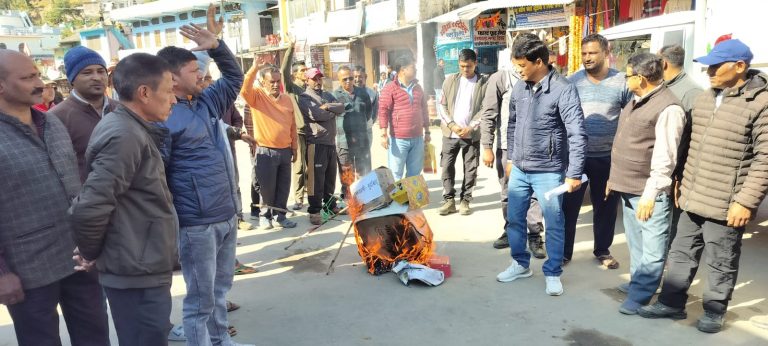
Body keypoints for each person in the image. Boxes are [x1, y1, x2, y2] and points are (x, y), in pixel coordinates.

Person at [639, 39, 768, 334]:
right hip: (692, 194)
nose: (708, 71)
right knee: (681, 252)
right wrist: (677, 179)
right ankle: (671, 303)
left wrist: (746, 201)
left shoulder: (760, 103)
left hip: (726, 201)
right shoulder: (705, 98)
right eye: (707, 65)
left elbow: (765, 159)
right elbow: (688, 145)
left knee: (721, 258)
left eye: (715, 65)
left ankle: (714, 310)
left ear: (739, 66)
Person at [0, 49, 109, 346]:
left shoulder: (53, 123)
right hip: (28, 270)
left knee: (95, 335)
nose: (39, 82)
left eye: (37, 74)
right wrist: (2, 273)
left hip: (79, 258)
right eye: (27, 77)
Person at [68, 52, 176, 346]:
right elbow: (90, 206)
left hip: (141, 261)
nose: (174, 99)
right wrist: (91, 252)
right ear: (144, 93)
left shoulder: (131, 127)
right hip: (135, 268)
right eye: (169, 92)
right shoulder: (124, 134)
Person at [155, 21, 251, 346]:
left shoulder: (207, 102)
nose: (201, 75)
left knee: (221, 289)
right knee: (199, 300)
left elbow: (235, 78)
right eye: (194, 70)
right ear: (172, 78)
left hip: (225, 212)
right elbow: (159, 176)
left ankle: (221, 340)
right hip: (196, 222)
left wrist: (217, 46)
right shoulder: (165, 117)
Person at [496, 33, 586, 296]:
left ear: (538, 62)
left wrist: (574, 173)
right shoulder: (519, 87)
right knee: (514, 219)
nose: (518, 70)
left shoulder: (563, 89)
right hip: (521, 169)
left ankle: (553, 271)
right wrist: (511, 157)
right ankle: (520, 264)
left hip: (549, 170)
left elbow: (577, 133)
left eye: (522, 65)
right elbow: (511, 124)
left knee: (554, 221)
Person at [606, 53, 685, 315]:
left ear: (640, 78)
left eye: (627, 75)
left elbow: (666, 157)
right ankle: (637, 283)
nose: (624, 79)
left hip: (648, 191)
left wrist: (651, 194)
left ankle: (641, 295)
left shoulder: (668, 108)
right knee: (636, 243)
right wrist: (612, 179)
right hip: (628, 186)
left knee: (652, 248)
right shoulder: (636, 99)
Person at [563, 34, 632, 268]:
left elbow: (631, 117)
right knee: (569, 206)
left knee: (605, 206)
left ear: (606, 53)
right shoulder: (572, 82)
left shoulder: (622, 82)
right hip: (576, 158)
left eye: (592, 53)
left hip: (607, 157)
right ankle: (564, 252)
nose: (587, 58)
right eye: (583, 54)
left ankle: (602, 250)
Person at [480, 57, 546, 257]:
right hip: (508, 147)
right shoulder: (501, 78)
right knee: (509, 192)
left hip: (536, 147)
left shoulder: (542, 76)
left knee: (534, 193)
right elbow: (489, 112)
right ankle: (511, 231)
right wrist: (487, 146)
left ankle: (534, 235)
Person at [240, 63, 298, 229]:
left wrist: (294, 147)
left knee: (283, 186)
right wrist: (253, 69)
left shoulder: (287, 99)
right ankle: (265, 216)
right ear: (263, 82)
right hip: (265, 150)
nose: (275, 85)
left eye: (277, 81)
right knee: (266, 188)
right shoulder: (257, 97)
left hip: (285, 151)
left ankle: (281, 216)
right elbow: (244, 89)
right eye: (271, 81)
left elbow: (292, 125)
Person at [50, 45, 117, 183]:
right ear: (72, 79)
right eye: (87, 72)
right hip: (88, 199)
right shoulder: (56, 117)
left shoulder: (121, 109)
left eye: (101, 71)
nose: (97, 77)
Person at [658, 44, 704, 245]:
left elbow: (693, 135)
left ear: (663, 63)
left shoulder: (691, 92)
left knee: (674, 217)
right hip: (663, 163)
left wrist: (679, 174)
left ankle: (670, 256)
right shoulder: (665, 85)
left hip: (678, 168)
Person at [437, 49, 489, 216]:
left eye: (469, 66)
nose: (465, 70)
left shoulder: (483, 83)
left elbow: (485, 109)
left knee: (470, 169)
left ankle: (465, 200)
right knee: (446, 167)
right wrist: (452, 125)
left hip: (471, 135)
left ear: (475, 64)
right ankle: (449, 200)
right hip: (450, 134)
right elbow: (442, 105)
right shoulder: (450, 80)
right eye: (462, 66)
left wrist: (471, 126)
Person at [299, 68, 346, 225]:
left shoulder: (326, 95)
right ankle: (314, 211)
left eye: (319, 78)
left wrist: (327, 107)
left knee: (329, 178)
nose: (318, 81)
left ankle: (329, 206)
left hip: (330, 142)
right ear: (307, 80)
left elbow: (341, 107)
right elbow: (316, 115)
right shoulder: (305, 97)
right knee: (315, 179)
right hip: (316, 143)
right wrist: (329, 111)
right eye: (314, 79)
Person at [378, 55, 431, 179]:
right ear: (403, 70)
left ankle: (410, 199)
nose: (416, 70)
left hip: (417, 138)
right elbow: (383, 111)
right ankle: (396, 199)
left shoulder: (418, 88)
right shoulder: (390, 88)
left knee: (414, 174)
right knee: (396, 174)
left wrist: (427, 131)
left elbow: (424, 110)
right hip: (398, 140)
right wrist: (383, 134)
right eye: (413, 67)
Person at [333, 65, 372, 199]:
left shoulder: (363, 93)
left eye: (350, 78)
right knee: (346, 172)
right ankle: (348, 199)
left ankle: (364, 198)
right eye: (345, 79)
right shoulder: (334, 96)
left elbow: (368, 113)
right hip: (344, 142)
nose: (349, 81)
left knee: (363, 170)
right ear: (339, 80)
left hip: (361, 140)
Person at [280, 43, 310, 210]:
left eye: (306, 70)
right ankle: (298, 198)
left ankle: (311, 194)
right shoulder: (291, 88)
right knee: (299, 167)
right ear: (294, 75)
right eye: (302, 71)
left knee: (311, 167)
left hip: (312, 132)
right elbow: (284, 70)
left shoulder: (310, 88)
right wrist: (290, 50)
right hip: (298, 132)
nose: (305, 73)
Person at [352, 65, 378, 170]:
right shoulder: (349, 92)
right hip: (351, 132)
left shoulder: (372, 93)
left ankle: (364, 183)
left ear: (365, 77)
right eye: (355, 77)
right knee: (352, 160)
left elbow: (374, 113)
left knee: (365, 158)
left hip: (367, 130)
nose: (357, 79)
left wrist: (367, 123)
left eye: (360, 77)